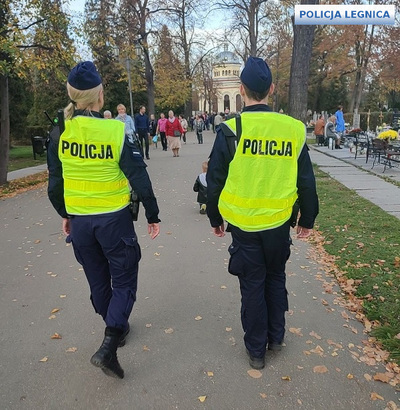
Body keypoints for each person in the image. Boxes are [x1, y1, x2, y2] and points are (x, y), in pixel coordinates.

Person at [47, 61, 160, 379]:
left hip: (82, 223)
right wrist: (152, 214)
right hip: (114, 221)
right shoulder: (114, 131)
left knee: (99, 283)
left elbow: (55, 182)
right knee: (124, 280)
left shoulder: (60, 130)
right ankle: (109, 345)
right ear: (99, 96)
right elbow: (139, 176)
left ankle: (116, 325)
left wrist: (66, 214)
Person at [207, 57, 319, 370]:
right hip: (278, 223)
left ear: (242, 90)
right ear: (271, 88)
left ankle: (257, 350)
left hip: (243, 226)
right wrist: (307, 220)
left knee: (252, 285)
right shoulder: (293, 130)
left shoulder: (231, 130)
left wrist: (215, 219)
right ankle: (277, 334)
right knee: (275, 277)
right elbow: (306, 182)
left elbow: (214, 182)